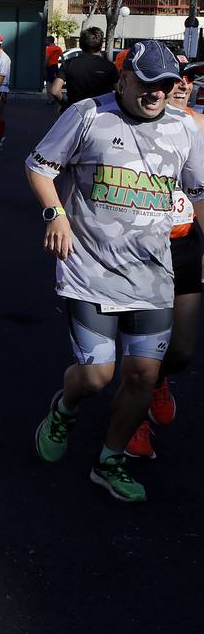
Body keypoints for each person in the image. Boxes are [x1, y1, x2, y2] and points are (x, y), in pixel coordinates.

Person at [28, 41, 204, 503]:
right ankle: (65, 408)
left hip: (151, 276)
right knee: (97, 376)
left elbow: (199, 191)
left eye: (166, 85)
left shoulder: (184, 127)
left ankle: (110, 460)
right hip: (90, 270)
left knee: (144, 374)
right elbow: (40, 167)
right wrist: (56, 215)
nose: (156, 93)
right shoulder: (87, 115)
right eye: (147, 82)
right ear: (124, 78)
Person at [128, 59, 204, 459]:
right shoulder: (131, 122)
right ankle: (134, 421)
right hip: (141, 243)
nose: (178, 87)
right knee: (142, 349)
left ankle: (158, 382)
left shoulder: (197, 125)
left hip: (186, 241)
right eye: (168, 82)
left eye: (182, 81)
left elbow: (202, 191)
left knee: (182, 349)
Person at [49, 27, 116, 113]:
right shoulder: (109, 66)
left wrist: (65, 104)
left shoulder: (69, 63)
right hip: (101, 113)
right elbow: (120, 91)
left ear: (81, 45)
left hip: (75, 112)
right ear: (101, 45)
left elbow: (55, 90)